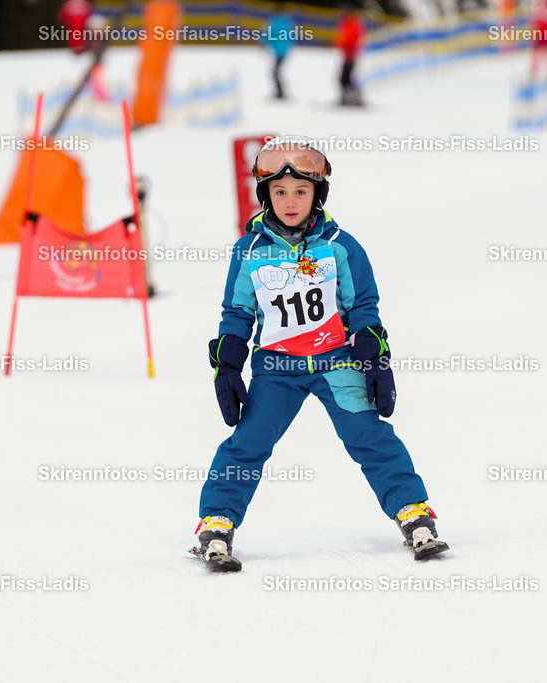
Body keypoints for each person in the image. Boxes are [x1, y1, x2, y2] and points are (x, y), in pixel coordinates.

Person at [190, 137, 449, 572]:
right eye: (279, 192)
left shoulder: (340, 245)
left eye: (300, 191)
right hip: (276, 367)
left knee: (369, 436)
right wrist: (228, 363)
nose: (290, 201)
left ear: (317, 194)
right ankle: (217, 522)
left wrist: (375, 356)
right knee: (248, 444)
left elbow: (363, 305)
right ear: (266, 196)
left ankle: (413, 513)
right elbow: (237, 309)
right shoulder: (250, 250)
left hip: (336, 362)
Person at [263, 5, 295, 99]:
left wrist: (265, 43)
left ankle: (280, 92)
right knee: (277, 71)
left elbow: (269, 34)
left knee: (275, 72)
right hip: (285, 50)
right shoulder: (288, 22)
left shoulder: (274, 22)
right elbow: (291, 36)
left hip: (278, 50)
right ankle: (280, 92)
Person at [335, 6, 365, 106]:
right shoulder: (346, 24)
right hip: (348, 54)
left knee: (345, 78)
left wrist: (347, 47)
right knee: (345, 78)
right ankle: (349, 97)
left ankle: (354, 98)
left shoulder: (352, 24)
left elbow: (352, 39)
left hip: (350, 55)